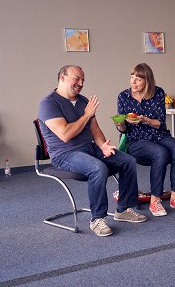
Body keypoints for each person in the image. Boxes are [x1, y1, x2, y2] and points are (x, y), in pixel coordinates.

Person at [38, 65, 147, 237]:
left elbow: (95, 130)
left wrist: (103, 145)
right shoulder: (49, 103)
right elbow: (65, 134)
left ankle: (123, 209)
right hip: (64, 154)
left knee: (128, 161)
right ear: (62, 77)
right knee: (98, 168)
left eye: (83, 80)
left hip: (89, 148)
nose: (81, 83)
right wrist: (87, 114)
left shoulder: (82, 101)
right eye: (77, 78)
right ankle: (97, 219)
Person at [115, 63, 175, 217]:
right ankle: (155, 200)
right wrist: (120, 124)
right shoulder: (123, 97)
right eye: (132, 77)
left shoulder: (158, 93)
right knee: (160, 153)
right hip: (136, 140)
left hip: (159, 135)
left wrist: (144, 119)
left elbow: (160, 122)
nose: (133, 82)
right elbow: (123, 130)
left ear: (147, 81)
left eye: (138, 79)